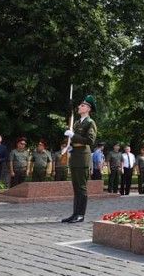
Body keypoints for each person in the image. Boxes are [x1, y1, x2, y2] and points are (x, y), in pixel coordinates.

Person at [62, 95, 97, 223]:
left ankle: (81, 214)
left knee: (81, 187)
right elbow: (74, 140)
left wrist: (73, 136)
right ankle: (75, 213)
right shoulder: (76, 123)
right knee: (75, 187)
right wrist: (69, 147)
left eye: (82, 105)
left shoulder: (90, 122)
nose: (79, 107)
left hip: (83, 157)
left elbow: (90, 140)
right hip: (75, 155)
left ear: (88, 108)